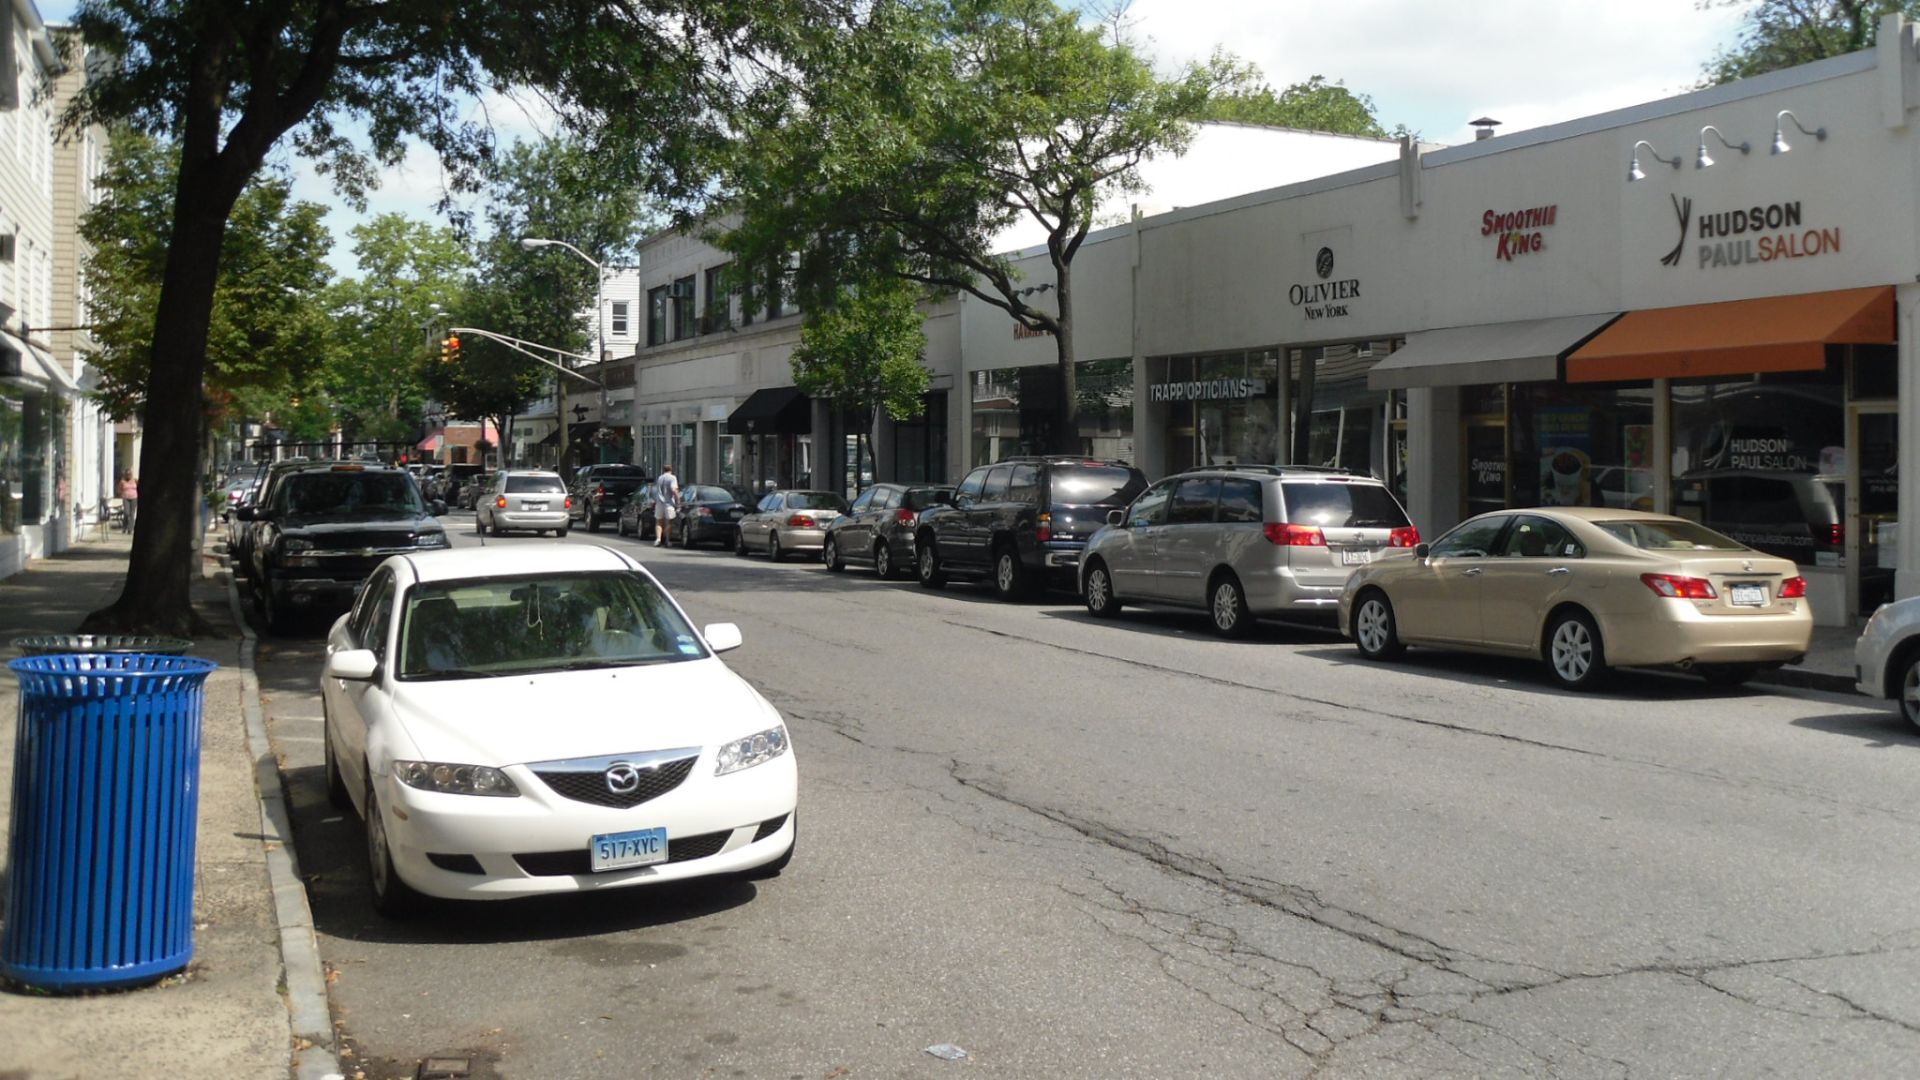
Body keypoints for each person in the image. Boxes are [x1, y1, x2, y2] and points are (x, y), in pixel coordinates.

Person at [652, 464, 680, 546]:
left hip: (659, 502)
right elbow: (673, 489)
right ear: (671, 470)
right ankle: (667, 540)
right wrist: (678, 500)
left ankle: (658, 539)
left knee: (658, 521)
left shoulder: (660, 478)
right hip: (669, 503)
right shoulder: (672, 478)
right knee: (669, 522)